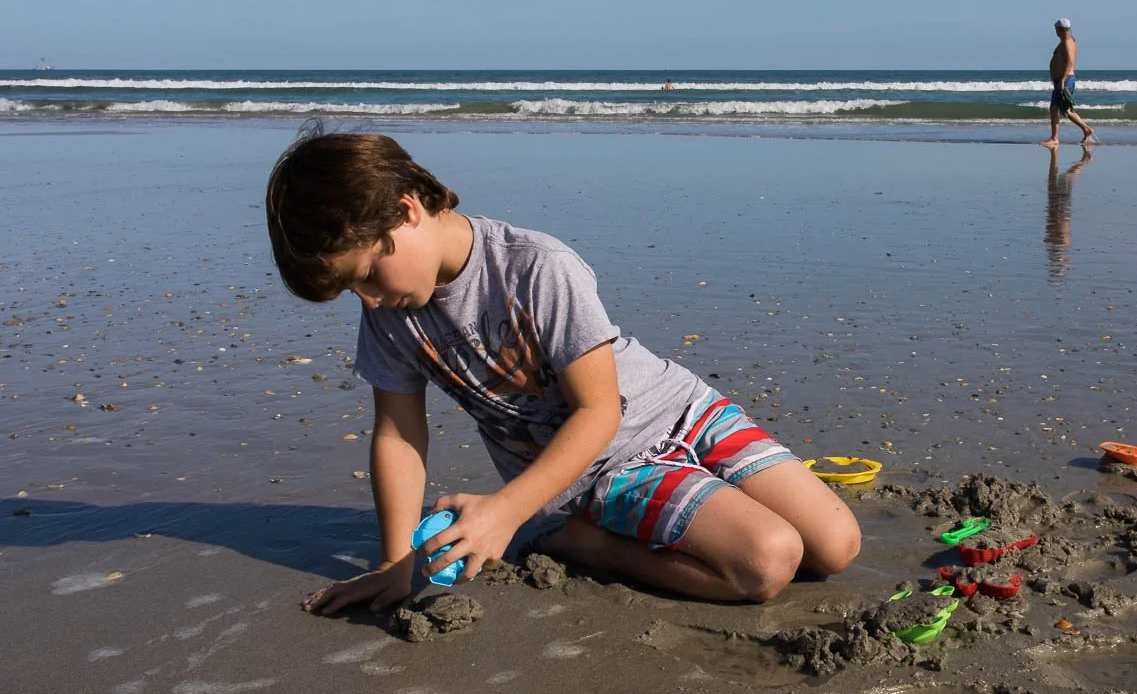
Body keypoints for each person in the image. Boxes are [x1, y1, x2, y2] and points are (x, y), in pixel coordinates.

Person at [266, 127, 861, 616]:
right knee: (768, 560)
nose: (366, 300)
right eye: (350, 289)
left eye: (367, 273)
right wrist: (399, 563)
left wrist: (505, 510)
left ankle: (606, 521)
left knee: (836, 546)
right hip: (603, 471)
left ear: (407, 210)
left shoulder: (534, 268)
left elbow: (599, 407)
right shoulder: (393, 318)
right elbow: (398, 435)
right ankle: (588, 543)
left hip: (683, 411)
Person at [1044, 18, 1096, 148]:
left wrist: (1062, 80)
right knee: (1056, 109)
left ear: (1060, 29)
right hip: (1062, 79)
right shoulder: (1066, 41)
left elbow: (1070, 63)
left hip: (1065, 79)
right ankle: (1082, 130)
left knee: (1062, 110)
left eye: (1056, 29)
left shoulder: (1068, 43)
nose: (1055, 31)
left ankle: (1057, 137)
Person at [1043, 144, 1092, 282]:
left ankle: (1083, 162)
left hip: (1059, 208)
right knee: (1061, 180)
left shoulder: (1059, 239)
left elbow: (1057, 236)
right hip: (1058, 208)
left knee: (1064, 179)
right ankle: (1081, 162)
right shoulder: (1059, 239)